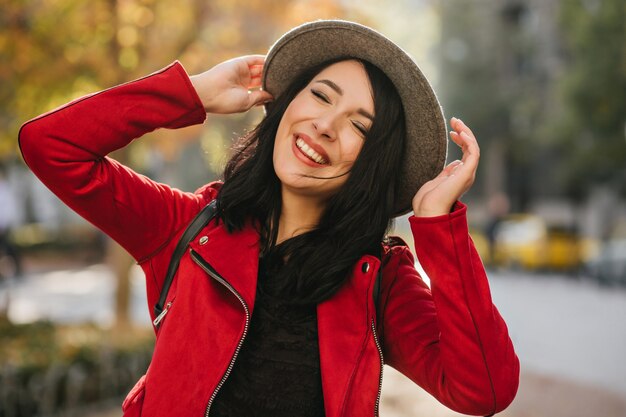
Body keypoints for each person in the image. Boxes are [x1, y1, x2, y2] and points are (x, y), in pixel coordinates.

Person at [19, 20, 519, 417]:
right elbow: (51, 147)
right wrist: (190, 94)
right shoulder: (189, 228)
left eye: (358, 127)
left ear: (373, 165)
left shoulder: (379, 280)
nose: (324, 126)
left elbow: (483, 390)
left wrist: (439, 224)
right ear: (286, 107)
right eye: (321, 96)